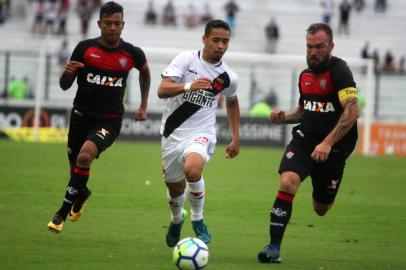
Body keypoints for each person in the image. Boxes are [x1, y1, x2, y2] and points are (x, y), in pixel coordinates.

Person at [257, 23, 360, 263]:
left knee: (320, 209)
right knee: (288, 181)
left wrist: (327, 143)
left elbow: (353, 112)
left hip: (333, 151)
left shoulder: (340, 71)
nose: (312, 52)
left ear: (331, 46)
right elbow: (304, 111)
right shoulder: (305, 76)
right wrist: (284, 118)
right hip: (304, 141)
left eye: (319, 47)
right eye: (309, 46)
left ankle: (325, 187)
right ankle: (273, 248)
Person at [47, 1, 151, 234]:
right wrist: (66, 74)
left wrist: (143, 105)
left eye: (117, 23)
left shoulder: (132, 53)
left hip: (108, 121)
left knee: (85, 157)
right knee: (76, 171)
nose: (113, 28)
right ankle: (82, 194)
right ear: (99, 24)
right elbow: (65, 86)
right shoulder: (84, 49)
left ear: (123, 25)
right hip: (80, 118)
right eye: (108, 23)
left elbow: (145, 71)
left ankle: (60, 215)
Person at [158, 19, 240, 247]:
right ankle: (176, 219)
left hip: (201, 134)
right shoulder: (186, 60)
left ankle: (198, 218)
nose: (221, 46)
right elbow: (162, 89)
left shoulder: (228, 77)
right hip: (172, 134)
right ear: (204, 39)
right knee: (175, 188)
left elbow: (232, 102)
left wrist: (236, 137)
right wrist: (188, 86)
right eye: (216, 40)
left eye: (225, 41)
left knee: (192, 169)